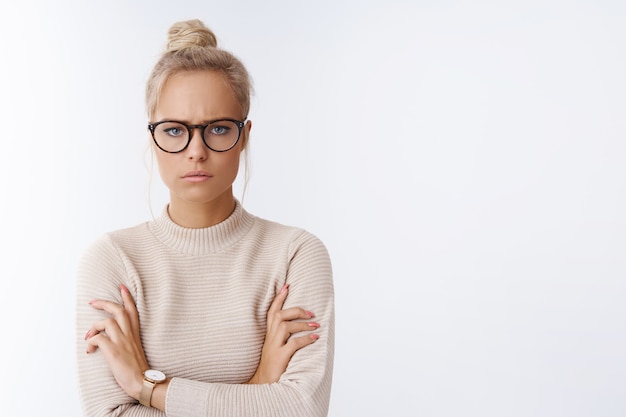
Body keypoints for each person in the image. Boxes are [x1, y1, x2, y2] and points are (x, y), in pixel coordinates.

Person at [75, 19, 334, 417]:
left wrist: (148, 387)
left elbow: (301, 409)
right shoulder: (113, 260)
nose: (196, 150)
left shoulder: (295, 255)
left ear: (244, 136)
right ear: (153, 137)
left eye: (217, 128)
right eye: (175, 130)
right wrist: (259, 386)